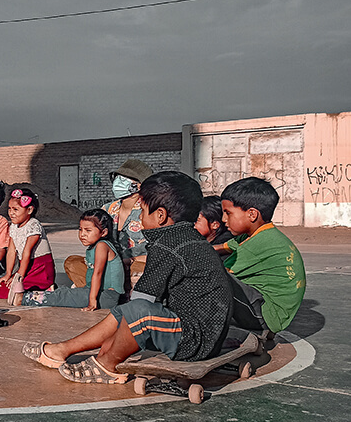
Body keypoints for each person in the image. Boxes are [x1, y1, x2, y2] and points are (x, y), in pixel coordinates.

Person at [25, 171, 232, 384]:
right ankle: (63, 349)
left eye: (142, 211)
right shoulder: (187, 239)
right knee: (127, 310)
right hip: (203, 333)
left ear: (160, 215)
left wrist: (114, 344)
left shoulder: (168, 246)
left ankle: (107, 363)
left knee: (137, 309)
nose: (140, 217)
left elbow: (142, 303)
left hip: (194, 342)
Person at [216, 177, 306, 333]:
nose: (224, 219)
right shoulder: (257, 234)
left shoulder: (259, 245)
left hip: (265, 317)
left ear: (252, 214)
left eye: (228, 213)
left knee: (210, 275)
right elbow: (220, 248)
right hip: (267, 308)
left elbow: (213, 275)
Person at [64, 159, 153, 290]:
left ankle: (100, 288)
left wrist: (131, 260)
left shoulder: (150, 211)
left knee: (140, 271)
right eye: (116, 178)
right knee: (72, 263)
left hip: (134, 264)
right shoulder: (107, 209)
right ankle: (102, 289)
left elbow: (157, 251)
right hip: (107, 263)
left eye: (123, 180)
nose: (117, 183)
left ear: (139, 185)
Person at [15, 208, 124, 310]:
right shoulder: (95, 247)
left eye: (88, 230)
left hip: (107, 296)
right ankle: (32, 296)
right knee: (65, 292)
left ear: (104, 232)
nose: (82, 234)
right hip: (96, 292)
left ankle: (24, 299)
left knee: (64, 296)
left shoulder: (102, 246)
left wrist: (92, 300)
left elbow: (98, 273)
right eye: (80, 230)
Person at [0, 188, 55, 301]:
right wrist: (8, 274)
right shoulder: (13, 227)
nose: (11, 213)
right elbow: (11, 251)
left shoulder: (33, 226)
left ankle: (46, 288)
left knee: (14, 291)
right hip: (26, 266)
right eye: (10, 209)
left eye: (16, 209)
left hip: (40, 268)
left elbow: (27, 252)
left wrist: (19, 276)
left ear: (30, 210)